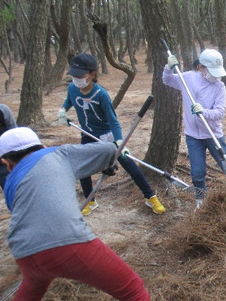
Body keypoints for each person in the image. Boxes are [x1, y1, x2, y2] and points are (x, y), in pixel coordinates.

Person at [0, 127, 165, 301]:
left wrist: (101, 166)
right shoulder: (58, 153)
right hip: (66, 242)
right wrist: (108, 163)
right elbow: (110, 149)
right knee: (131, 289)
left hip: (24, 251)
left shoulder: (10, 185)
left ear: (6, 164)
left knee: (32, 289)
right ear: (43, 146)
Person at [58, 53, 165, 215]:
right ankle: (90, 200)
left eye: (80, 75)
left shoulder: (101, 94)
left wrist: (119, 142)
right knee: (84, 169)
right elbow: (69, 100)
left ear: (92, 74)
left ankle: (150, 197)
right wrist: (63, 111)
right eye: (73, 75)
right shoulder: (73, 88)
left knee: (130, 167)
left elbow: (113, 121)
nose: (76, 79)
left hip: (107, 136)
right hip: (87, 134)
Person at [162, 49, 226, 210]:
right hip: (193, 135)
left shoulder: (220, 87)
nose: (216, 76)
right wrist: (168, 67)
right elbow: (167, 79)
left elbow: (219, 112)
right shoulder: (188, 79)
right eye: (211, 71)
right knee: (197, 172)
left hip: (213, 134)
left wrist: (203, 111)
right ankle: (201, 199)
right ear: (201, 67)